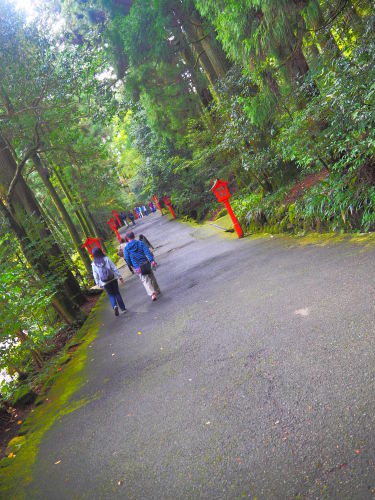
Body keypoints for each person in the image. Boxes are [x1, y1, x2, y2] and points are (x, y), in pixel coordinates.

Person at [124, 231, 160, 302]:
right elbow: (147, 252)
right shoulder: (140, 243)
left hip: (137, 267)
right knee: (151, 277)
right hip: (146, 263)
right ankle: (157, 290)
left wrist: (132, 265)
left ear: (127, 238)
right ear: (134, 236)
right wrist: (151, 260)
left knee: (145, 280)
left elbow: (127, 259)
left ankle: (152, 294)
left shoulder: (126, 248)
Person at [92, 247, 127, 316]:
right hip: (112, 278)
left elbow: (95, 275)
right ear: (100, 252)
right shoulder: (106, 259)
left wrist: (99, 284)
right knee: (117, 293)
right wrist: (120, 277)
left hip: (104, 282)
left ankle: (114, 306)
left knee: (111, 295)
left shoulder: (93, 264)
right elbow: (114, 268)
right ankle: (123, 309)